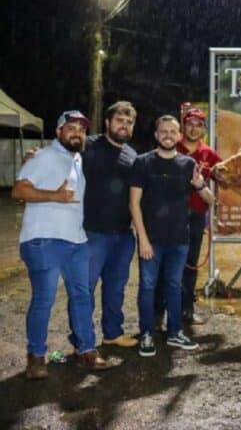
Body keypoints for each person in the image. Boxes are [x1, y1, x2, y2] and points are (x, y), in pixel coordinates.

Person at [12, 110, 113, 379]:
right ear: (58, 132)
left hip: (76, 241)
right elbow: (19, 190)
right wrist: (54, 195)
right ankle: (36, 358)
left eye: (81, 128)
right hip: (44, 239)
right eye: (70, 127)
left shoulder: (78, 159)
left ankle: (86, 351)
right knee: (44, 299)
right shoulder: (44, 157)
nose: (77, 132)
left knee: (81, 296)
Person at [129, 115, 213, 357]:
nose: (168, 135)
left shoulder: (188, 165)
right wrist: (142, 239)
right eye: (163, 131)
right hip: (151, 241)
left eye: (172, 131)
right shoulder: (143, 163)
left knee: (174, 286)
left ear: (179, 136)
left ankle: (175, 332)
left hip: (179, 240)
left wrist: (199, 185)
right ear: (156, 135)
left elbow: (210, 200)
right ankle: (147, 334)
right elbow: (134, 203)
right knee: (147, 286)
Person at [154, 107, 220, 327]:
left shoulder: (209, 154)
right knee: (165, 264)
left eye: (199, 124)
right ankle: (158, 313)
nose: (194, 128)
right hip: (170, 216)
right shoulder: (172, 146)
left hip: (196, 216)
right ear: (184, 126)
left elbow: (224, 177)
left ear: (204, 128)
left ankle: (186, 311)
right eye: (190, 123)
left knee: (190, 265)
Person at [84, 101, 139, 347]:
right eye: (119, 120)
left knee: (116, 288)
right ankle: (82, 340)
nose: (124, 126)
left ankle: (112, 333)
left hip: (123, 235)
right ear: (107, 122)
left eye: (129, 122)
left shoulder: (132, 155)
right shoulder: (88, 145)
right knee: (85, 290)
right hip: (91, 232)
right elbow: (61, 155)